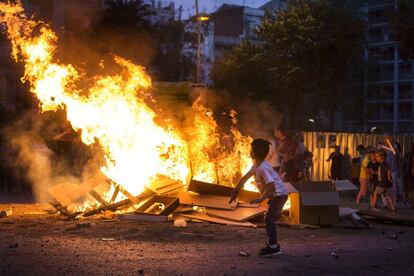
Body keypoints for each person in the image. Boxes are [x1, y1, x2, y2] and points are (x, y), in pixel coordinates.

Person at [229, 139, 288, 257]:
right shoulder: (257, 165)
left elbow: (271, 185)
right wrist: (236, 190)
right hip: (276, 196)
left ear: (254, 152)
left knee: (269, 218)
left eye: (251, 149)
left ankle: (274, 247)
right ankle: (273, 245)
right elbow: (245, 177)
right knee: (269, 218)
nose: (249, 151)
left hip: (279, 195)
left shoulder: (263, 168)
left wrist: (261, 199)